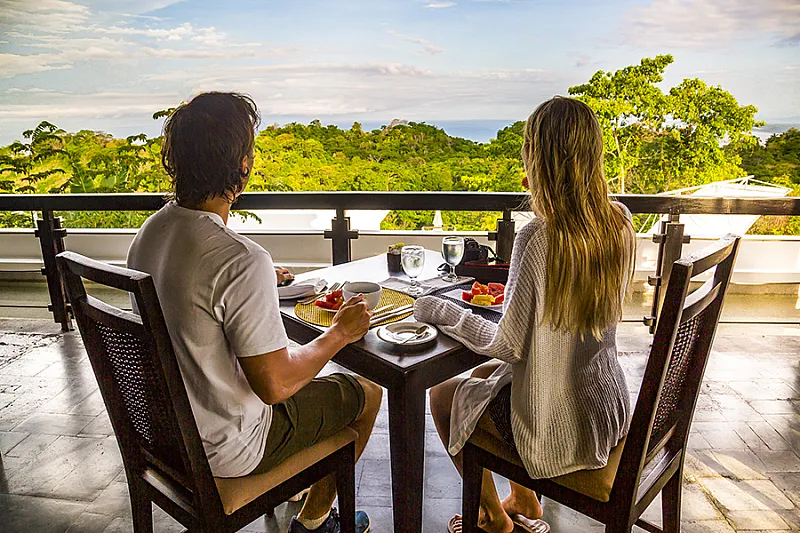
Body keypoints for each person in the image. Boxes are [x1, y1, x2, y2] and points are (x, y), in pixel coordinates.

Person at [127, 92, 380, 533]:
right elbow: (276, 385)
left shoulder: (151, 232)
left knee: (311, 380)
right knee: (367, 392)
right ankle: (316, 521)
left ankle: (303, 482)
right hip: (229, 448)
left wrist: (259, 278)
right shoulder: (239, 258)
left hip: (164, 432)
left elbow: (201, 297)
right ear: (242, 165)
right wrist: (339, 333)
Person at [414, 97, 635, 533]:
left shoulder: (539, 236)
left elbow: (507, 343)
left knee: (443, 394)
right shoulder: (621, 222)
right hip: (607, 408)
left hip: (562, 424)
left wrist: (437, 307)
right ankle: (525, 501)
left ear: (538, 157)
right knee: (488, 379)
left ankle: (493, 518)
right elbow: (556, 325)